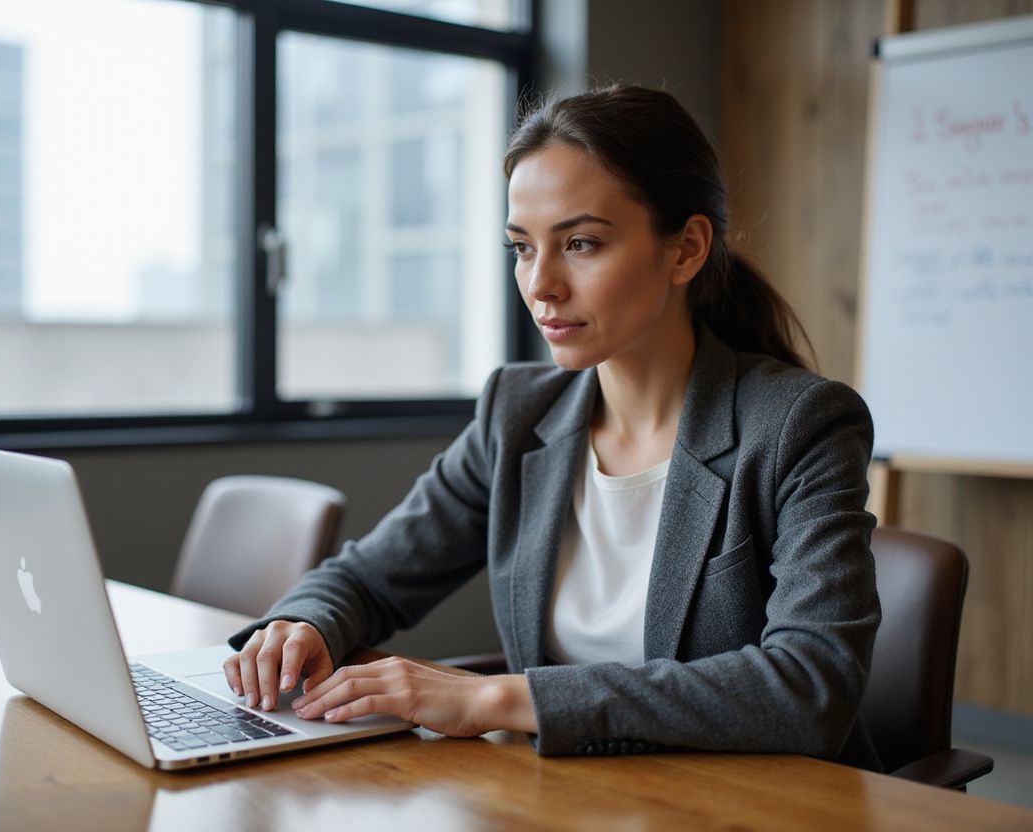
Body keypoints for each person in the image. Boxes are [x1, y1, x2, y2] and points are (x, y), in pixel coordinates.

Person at [222, 84, 882, 768]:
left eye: (581, 243)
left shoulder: (799, 424)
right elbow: (371, 577)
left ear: (686, 249)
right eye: (521, 248)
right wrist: (301, 624)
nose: (541, 285)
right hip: (571, 798)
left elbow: (813, 685)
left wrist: (495, 701)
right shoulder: (517, 412)